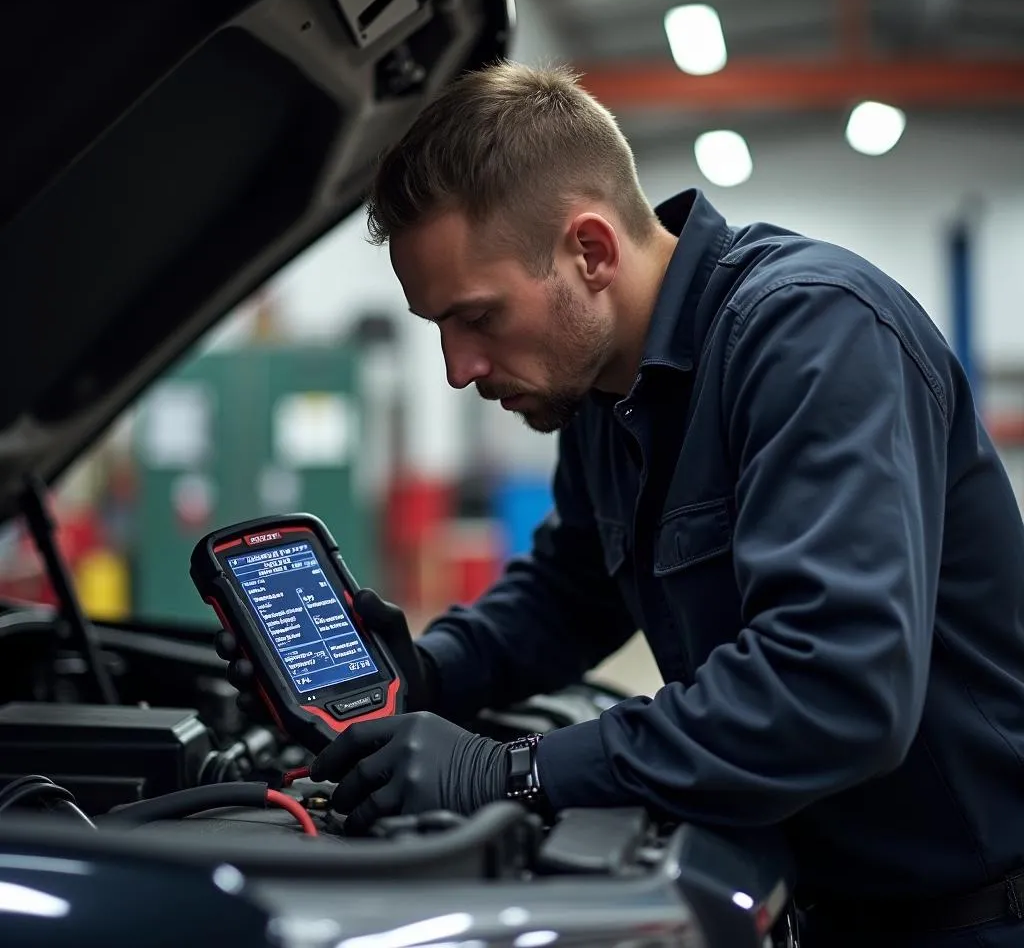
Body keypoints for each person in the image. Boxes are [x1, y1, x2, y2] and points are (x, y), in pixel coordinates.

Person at [217, 62, 1024, 946]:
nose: (457, 368)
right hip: (827, 902)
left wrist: (510, 771)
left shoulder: (814, 337)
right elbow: (571, 586)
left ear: (591, 252)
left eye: (478, 318)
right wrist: (429, 675)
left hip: (977, 914)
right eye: (439, 327)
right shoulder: (605, 386)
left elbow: (834, 687)